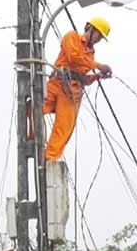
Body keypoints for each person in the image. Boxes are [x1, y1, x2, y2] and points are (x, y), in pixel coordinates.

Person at [43, 17, 112, 161]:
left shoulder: (91, 54)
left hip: (71, 93)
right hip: (57, 83)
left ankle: (50, 158)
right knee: (35, 108)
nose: (99, 40)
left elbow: (84, 79)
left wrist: (98, 76)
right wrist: (98, 66)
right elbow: (73, 57)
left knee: (64, 128)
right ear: (91, 29)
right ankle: (32, 140)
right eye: (99, 35)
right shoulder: (72, 37)